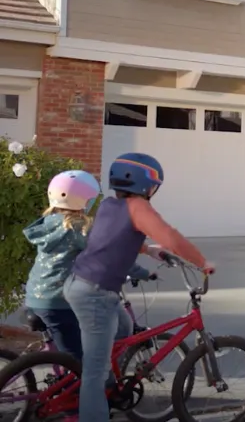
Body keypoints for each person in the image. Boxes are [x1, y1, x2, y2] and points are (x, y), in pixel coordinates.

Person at [64, 153, 213, 422]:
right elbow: (170, 236)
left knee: (123, 329)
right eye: (155, 185)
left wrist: (147, 250)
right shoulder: (139, 208)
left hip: (82, 285)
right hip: (95, 295)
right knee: (93, 375)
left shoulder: (109, 205)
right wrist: (202, 262)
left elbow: (111, 238)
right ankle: (99, 400)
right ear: (145, 184)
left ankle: (113, 385)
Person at [22, 170, 158, 364]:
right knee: (91, 355)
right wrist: (143, 273)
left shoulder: (50, 223)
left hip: (36, 297)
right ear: (85, 201)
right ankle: (104, 385)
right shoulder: (78, 227)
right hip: (61, 301)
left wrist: (144, 249)